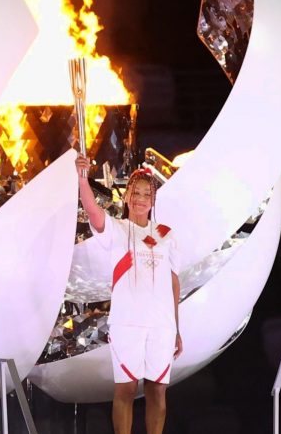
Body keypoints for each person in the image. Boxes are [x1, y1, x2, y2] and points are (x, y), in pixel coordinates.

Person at [75, 153, 182, 434]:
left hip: (161, 325)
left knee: (157, 391)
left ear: (153, 200)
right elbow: (93, 210)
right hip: (127, 323)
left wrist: (177, 329)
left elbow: (173, 283)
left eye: (147, 194)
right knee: (125, 390)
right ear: (127, 197)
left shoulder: (166, 234)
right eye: (136, 192)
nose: (141, 198)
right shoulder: (117, 229)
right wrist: (82, 179)